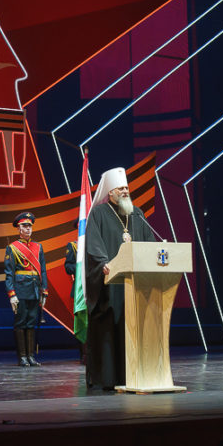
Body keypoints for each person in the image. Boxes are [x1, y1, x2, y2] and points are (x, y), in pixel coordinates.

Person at [84, 167, 156, 390]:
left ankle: (134, 375)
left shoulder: (137, 214)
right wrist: (104, 263)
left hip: (135, 285)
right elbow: (94, 245)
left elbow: (150, 243)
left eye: (126, 187)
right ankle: (109, 378)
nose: (125, 191)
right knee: (110, 328)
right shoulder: (98, 213)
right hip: (110, 285)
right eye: (120, 188)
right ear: (110, 192)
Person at [5, 211, 47, 366]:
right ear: (19, 228)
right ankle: (22, 356)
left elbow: (43, 270)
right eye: (24, 226)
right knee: (21, 322)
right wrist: (12, 294)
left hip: (35, 289)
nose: (28, 229)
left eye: (30, 226)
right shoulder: (13, 248)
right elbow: (9, 273)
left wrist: (44, 290)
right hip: (21, 289)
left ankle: (30, 356)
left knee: (31, 322)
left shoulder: (38, 247)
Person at [63, 225, 85, 363]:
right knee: (81, 320)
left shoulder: (97, 243)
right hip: (80, 289)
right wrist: (80, 268)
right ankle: (84, 354)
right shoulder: (73, 246)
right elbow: (68, 267)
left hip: (96, 287)